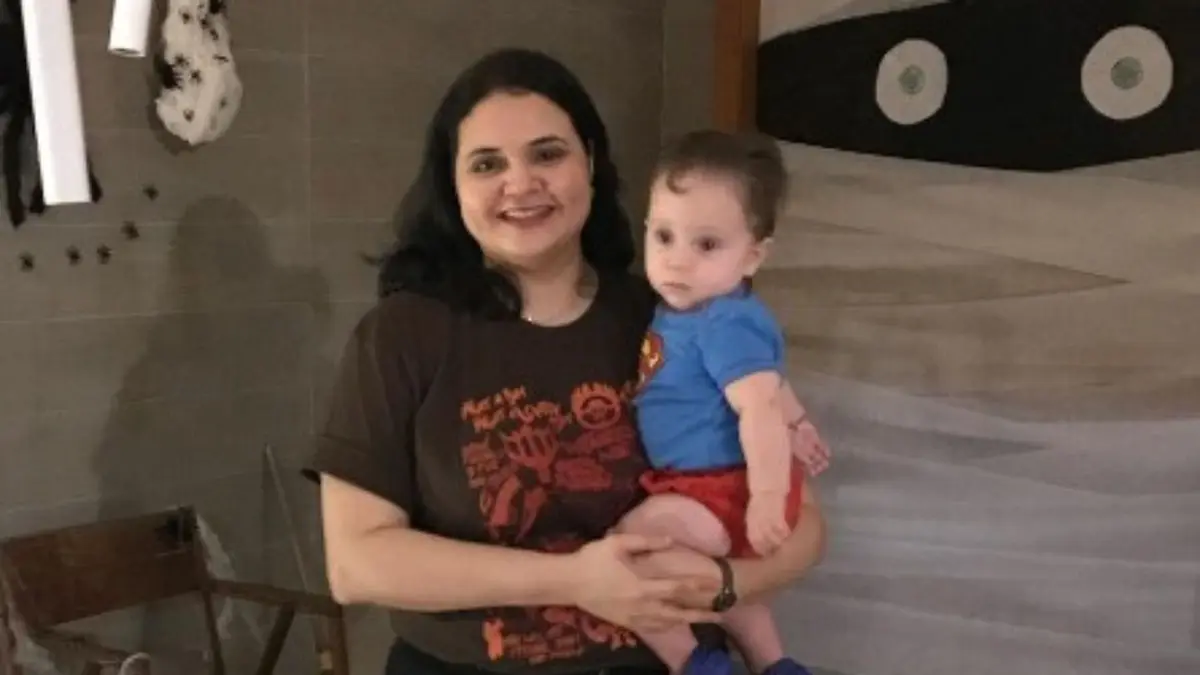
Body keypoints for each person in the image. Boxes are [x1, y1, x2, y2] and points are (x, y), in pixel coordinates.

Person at [305, 47, 827, 675]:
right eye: (487, 164)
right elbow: (356, 564)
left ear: (592, 162)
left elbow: (803, 522)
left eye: (547, 154)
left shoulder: (670, 315)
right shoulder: (402, 336)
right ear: (453, 186)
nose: (520, 183)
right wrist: (573, 581)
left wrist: (726, 587)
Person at [615, 131, 826, 675]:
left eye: (706, 245)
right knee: (733, 593)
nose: (677, 261)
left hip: (720, 492)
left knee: (627, 554)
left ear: (753, 256)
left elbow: (757, 408)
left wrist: (767, 496)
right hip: (716, 489)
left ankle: (691, 661)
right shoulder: (707, 312)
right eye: (664, 236)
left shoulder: (721, 321)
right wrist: (800, 422)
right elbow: (770, 386)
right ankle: (774, 663)